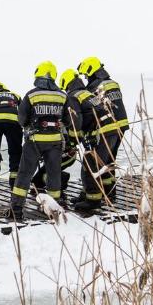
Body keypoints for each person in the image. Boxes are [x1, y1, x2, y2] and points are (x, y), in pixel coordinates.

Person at [10, 61, 70, 221]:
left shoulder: (31, 95)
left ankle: (16, 210)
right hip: (55, 143)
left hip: (34, 141)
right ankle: (54, 209)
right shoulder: (63, 96)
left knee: (24, 174)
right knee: (54, 175)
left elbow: (21, 119)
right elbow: (68, 120)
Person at [77, 56, 129, 202]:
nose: (86, 78)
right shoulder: (113, 83)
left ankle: (93, 196)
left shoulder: (95, 87)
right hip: (121, 125)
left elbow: (92, 111)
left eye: (86, 75)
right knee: (109, 161)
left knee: (97, 162)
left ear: (91, 70)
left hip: (107, 128)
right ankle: (110, 193)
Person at [58, 69, 106, 208]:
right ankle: (86, 195)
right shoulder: (87, 93)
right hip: (107, 132)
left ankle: (92, 200)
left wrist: (73, 141)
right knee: (95, 163)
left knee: (89, 165)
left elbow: (76, 120)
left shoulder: (72, 96)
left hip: (97, 134)